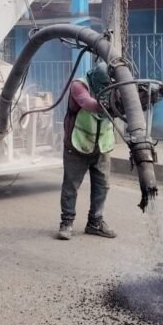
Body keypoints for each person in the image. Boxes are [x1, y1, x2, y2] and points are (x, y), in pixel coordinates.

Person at [58, 62, 117, 241]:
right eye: (104, 85)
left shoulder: (116, 86)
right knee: (71, 186)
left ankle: (95, 223)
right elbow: (89, 104)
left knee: (102, 186)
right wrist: (112, 104)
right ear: (95, 79)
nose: (107, 88)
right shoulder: (79, 86)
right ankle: (67, 222)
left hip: (102, 145)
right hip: (77, 145)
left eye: (109, 85)